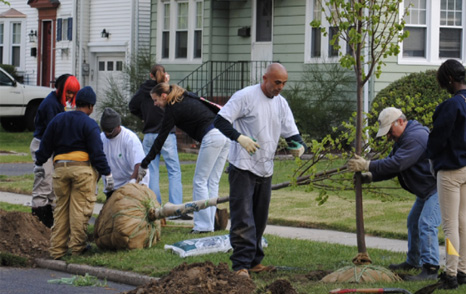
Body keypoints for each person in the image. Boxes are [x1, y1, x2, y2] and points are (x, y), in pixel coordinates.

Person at [213, 63, 307, 278]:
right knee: (243, 219)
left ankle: (255, 262)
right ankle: (241, 266)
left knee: (259, 218)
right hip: (242, 167)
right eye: (277, 82)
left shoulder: (281, 104)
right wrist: (239, 137)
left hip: (265, 169)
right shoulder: (245, 96)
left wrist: (299, 146)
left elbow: (292, 133)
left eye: (284, 83)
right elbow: (219, 120)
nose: (280, 87)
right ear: (265, 78)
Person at [348, 107, 441, 281]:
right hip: (427, 190)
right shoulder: (403, 139)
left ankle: (431, 269)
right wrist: (370, 176)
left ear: (400, 121)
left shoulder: (416, 137)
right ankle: (414, 262)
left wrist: (367, 165)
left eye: (390, 131)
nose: (389, 136)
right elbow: (392, 167)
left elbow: (397, 164)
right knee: (413, 222)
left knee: (427, 224)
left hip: (439, 188)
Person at [137, 83, 230, 234]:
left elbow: (160, 139)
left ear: (164, 96)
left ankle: (203, 227)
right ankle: (211, 223)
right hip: (225, 134)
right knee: (212, 181)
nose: (155, 104)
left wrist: (145, 163)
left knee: (200, 181)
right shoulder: (186, 96)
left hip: (212, 136)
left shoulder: (172, 109)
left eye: (156, 100)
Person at [34, 86, 113, 260]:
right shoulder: (90, 124)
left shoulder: (58, 119)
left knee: (61, 210)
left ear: (76, 103)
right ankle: (77, 249)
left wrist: (39, 162)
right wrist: (107, 173)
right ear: (91, 107)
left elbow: (45, 145)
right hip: (82, 170)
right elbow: (96, 153)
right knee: (80, 210)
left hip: (60, 170)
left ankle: (57, 250)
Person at [427, 59, 466, 290]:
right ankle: (462, 270)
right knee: (463, 223)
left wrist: (431, 155)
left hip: (450, 170)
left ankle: (450, 273)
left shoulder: (452, 106)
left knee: (450, 225)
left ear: (450, 80)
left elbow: (438, 138)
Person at [129, 65, 184, 211]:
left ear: (150, 75)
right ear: (165, 74)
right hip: (167, 135)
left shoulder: (144, 90)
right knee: (173, 170)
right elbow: (177, 100)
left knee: (151, 171)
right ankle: (175, 207)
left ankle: (156, 206)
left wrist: (144, 117)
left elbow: (132, 106)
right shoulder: (165, 90)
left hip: (149, 134)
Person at [29, 74, 80, 228]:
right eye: (68, 92)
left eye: (73, 93)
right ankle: (39, 221)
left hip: (53, 146)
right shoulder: (50, 104)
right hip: (43, 146)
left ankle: (52, 223)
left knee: (53, 185)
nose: (70, 96)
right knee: (44, 182)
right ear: (60, 88)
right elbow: (53, 132)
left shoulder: (60, 103)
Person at [100, 107, 149, 199]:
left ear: (118, 126)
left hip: (131, 186)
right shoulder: (101, 138)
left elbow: (139, 164)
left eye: (110, 131)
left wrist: (132, 182)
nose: (107, 134)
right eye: (104, 130)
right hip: (112, 188)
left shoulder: (130, 139)